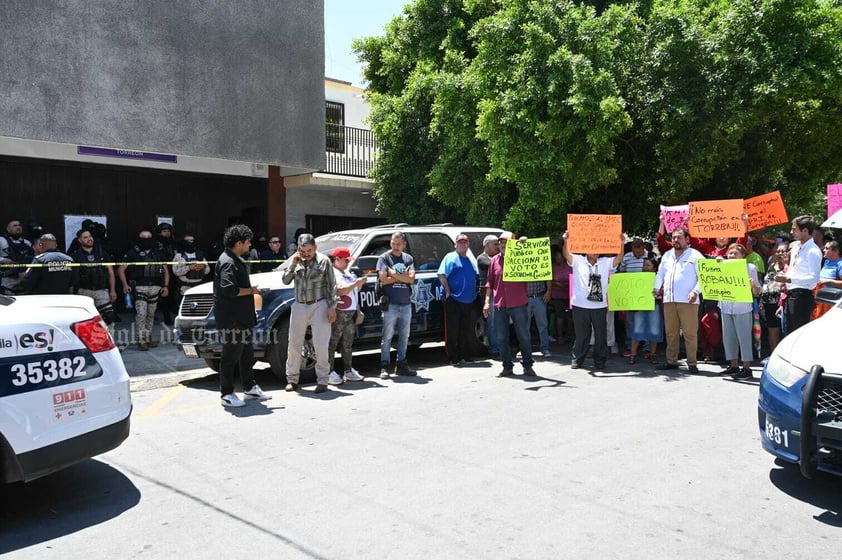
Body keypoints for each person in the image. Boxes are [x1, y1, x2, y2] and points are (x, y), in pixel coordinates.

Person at [213, 224, 271, 407]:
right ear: (238, 243)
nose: (250, 245)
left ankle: (250, 388)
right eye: (248, 242)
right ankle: (226, 393)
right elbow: (229, 290)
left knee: (247, 355)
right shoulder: (227, 262)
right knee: (230, 357)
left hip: (242, 318)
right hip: (232, 319)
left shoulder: (234, 258)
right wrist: (252, 291)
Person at [281, 233, 337, 393]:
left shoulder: (324, 261)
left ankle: (322, 381)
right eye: (303, 251)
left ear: (315, 248)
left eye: (309, 251)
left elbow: (332, 285)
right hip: (299, 305)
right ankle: (292, 380)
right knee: (294, 344)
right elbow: (285, 280)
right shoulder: (296, 260)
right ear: (299, 249)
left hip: (319, 304)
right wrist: (293, 264)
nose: (306, 255)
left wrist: (332, 307)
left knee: (320, 344)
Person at [562, 231, 623, 370]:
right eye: (592, 248)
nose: (595, 251)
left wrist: (621, 242)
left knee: (601, 335)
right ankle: (577, 359)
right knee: (581, 335)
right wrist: (566, 241)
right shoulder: (578, 260)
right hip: (580, 304)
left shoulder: (605, 262)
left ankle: (600, 360)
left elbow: (619, 258)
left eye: (597, 248)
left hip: (599, 306)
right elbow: (566, 254)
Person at [483, 232, 535, 377]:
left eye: (506, 243)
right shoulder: (494, 261)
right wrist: (487, 302)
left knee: (524, 336)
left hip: (518, 303)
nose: (503, 245)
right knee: (501, 337)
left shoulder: (521, 258)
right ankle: (507, 366)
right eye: (501, 243)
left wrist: (524, 243)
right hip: (500, 304)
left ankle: (528, 365)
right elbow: (490, 283)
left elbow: (533, 261)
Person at [653, 226, 704, 373]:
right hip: (669, 299)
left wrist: (695, 291)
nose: (675, 240)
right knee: (671, 332)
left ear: (687, 239)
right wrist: (657, 288)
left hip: (688, 300)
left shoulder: (696, 255)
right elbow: (660, 273)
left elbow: (703, 277)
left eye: (679, 237)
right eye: (673, 237)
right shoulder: (667, 255)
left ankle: (692, 363)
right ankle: (671, 361)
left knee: (690, 333)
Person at [118, 230, 170, 351]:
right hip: (140, 287)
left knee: (151, 314)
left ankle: (148, 338)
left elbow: (166, 271)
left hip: (155, 288)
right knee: (141, 314)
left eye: (149, 237)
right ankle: (141, 339)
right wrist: (125, 285)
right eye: (143, 237)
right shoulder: (132, 253)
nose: (146, 240)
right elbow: (121, 269)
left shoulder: (158, 253)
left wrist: (166, 286)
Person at [717, 244, 762, 380]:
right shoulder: (722, 266)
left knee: (744, 337)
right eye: (730, 253)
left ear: (743, 256)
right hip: (725, 306)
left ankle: (747, 368)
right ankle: (733, 365)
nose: (731, 256)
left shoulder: (750, 268)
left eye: (735, 253)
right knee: (729, 337)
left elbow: (757, 291)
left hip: (742, 307)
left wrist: (753, 284)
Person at [377, 231, 417, 378]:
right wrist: (402, 277)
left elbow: (411, 279)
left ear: (404, 244)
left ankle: (401, 364)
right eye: (393, 243)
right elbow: (384, 280)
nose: (396, 246)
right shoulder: (384, 258)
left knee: (404, 336)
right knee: (387, 336)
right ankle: (384, 366)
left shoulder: (408, 258)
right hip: (390, 304)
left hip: (406, 304)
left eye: (399, 244)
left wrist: (392, 273)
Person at [775, 215, 822, 336]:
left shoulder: (813, 251)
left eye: (794, 229)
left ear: (805, 231)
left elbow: (814, 278)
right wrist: (784, 274)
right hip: (790, 295)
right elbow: (794, 269)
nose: (791, 232)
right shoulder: (796, 247)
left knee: (798, 333)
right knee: (789, 333)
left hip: (802, 296)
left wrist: (789, 279)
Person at [327, 246, 367, 385]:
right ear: (337, 259)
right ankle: (329, 372)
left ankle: (348, 371)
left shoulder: (346, 272)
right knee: (332, 343)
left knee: (347, 344)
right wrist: (356, 283)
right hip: (339, 312)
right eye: (345, 260)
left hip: (350, 313)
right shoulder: (333, 273)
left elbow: (353, 289)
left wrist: (359, 284)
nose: (347, 263)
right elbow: (340, 291)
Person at [438, 233, 479, 365]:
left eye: (465, 242)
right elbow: (442, 275)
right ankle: (453, 357)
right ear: (455, 244)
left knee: (465, 330)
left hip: (469, 301)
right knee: (453, 330)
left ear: (468, 244)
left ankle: (464, 355)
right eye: (460, 242)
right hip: (454, 300)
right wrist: (448, 291)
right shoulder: (450, 257)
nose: (462, 244)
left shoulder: (469, 259)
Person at [70, 228, 118, 328]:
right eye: (85, 237)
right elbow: (71, 277)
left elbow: (110, 272)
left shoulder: (101, 253)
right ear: (80, 240)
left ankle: (108, 343)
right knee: (86, 321)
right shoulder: (75, 255)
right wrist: (71, 295)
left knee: (109, 318)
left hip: (101, 291)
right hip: (83, 292)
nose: (89, 239)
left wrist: (113, 290)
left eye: (90, 236)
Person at [627, 257, 663, 365]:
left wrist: (659, 294)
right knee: (637, 329)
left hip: (654, 306)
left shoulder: (658, 278)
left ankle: (653, 355)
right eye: (644, 265)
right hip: (640, 305)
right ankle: (632, 355)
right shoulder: (638, 278)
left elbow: (662, 292)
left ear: (654, 268)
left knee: (654, 330)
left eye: (648, 265)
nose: (645, 267)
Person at [759, 241, 789, 355]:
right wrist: (762, 299)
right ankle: (773, 355)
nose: (780, 253)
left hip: (780, 302)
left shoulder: (789, 267)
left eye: (783, 251)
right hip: (768, 302)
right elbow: (766, 283)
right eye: (778, 251)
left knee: (782, 330)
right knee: (771, 330)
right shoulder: (772, 265)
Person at [476, 234, 500, 358]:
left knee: (499, 321)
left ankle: (500, 347)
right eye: (495, 244)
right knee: (491, 322)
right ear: (487, 244)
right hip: (488, 294)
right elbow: (494, 265)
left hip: (499, 293)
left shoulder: (497, 258)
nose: (498, 246)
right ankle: (493, 349)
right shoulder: (482, 258)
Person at [0, 219, 35, 294]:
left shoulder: (27, 243)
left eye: (19, 225)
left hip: (23, 280)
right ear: (8, 229)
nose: (18, 227)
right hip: (6, 280)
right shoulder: (1, 241)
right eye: (15, 225)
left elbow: (35, 259)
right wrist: (3, 260)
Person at [172, 233, 210, 301]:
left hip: (199, 287)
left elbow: (208, 270)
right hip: (185, 287)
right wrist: (189, 268)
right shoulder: (179, 255)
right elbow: (175, 272)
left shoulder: (200, 254)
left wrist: (202, 267)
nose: (190, 242)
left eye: (192, 240)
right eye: (188, 241)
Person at [155, 223, 178, 325]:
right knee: (164, 295)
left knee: (172, 294)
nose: (167, 233)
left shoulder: (173, 242)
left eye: (168, 231)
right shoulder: (156, 244)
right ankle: (167, 317)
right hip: (162, 272)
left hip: (173, 272)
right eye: (164, 231)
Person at [549, 246, 573, 344]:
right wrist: (558, 284)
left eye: (560, 256)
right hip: (557, 295)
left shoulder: (570, 266)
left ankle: (569, 335)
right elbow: (549, 279)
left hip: (569, 294)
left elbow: (573, 277)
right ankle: (560, 336)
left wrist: (566, 284)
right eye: (557, 257)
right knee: (560, 316)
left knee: (570, 317)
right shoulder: (552, 267)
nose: (558, 258)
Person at [526, 280, 553, 358]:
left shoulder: (542, 267)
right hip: (525, 297)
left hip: (539, 297)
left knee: (543, 325)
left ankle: (545, 348)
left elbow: (548, 277)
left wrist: (549, 291)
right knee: (525, 326)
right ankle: (525, 349)